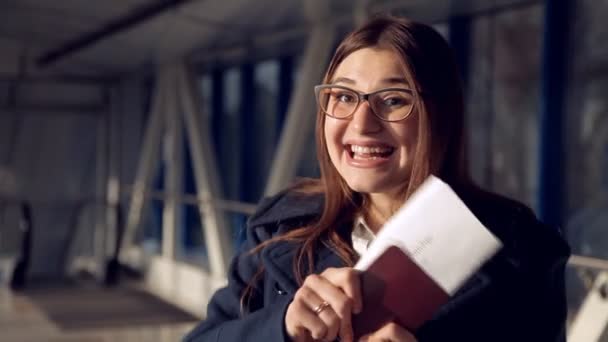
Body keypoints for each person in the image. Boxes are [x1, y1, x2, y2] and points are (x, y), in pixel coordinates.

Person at [183, 15, 570, 342]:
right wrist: (282, 326)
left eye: (395, 100)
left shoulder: (521, 252)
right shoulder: (279, 225)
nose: (362, 124)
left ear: (442, 117)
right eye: (345, 97)